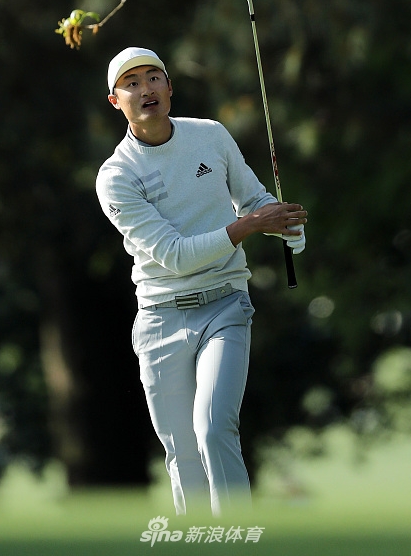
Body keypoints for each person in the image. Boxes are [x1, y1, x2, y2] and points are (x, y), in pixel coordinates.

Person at [96, 46, 307, 516]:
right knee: (183, 454)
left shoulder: (210, 136)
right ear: (115, 101)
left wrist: (284, 221)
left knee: (213, 428)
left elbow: (252, 197)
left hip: (225, 307)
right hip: (160, 320)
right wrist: (250, 225)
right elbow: (173, 256)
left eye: (154, 77)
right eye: (132, 83)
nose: (146, 88)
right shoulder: (117, 177)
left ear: (170, 87)